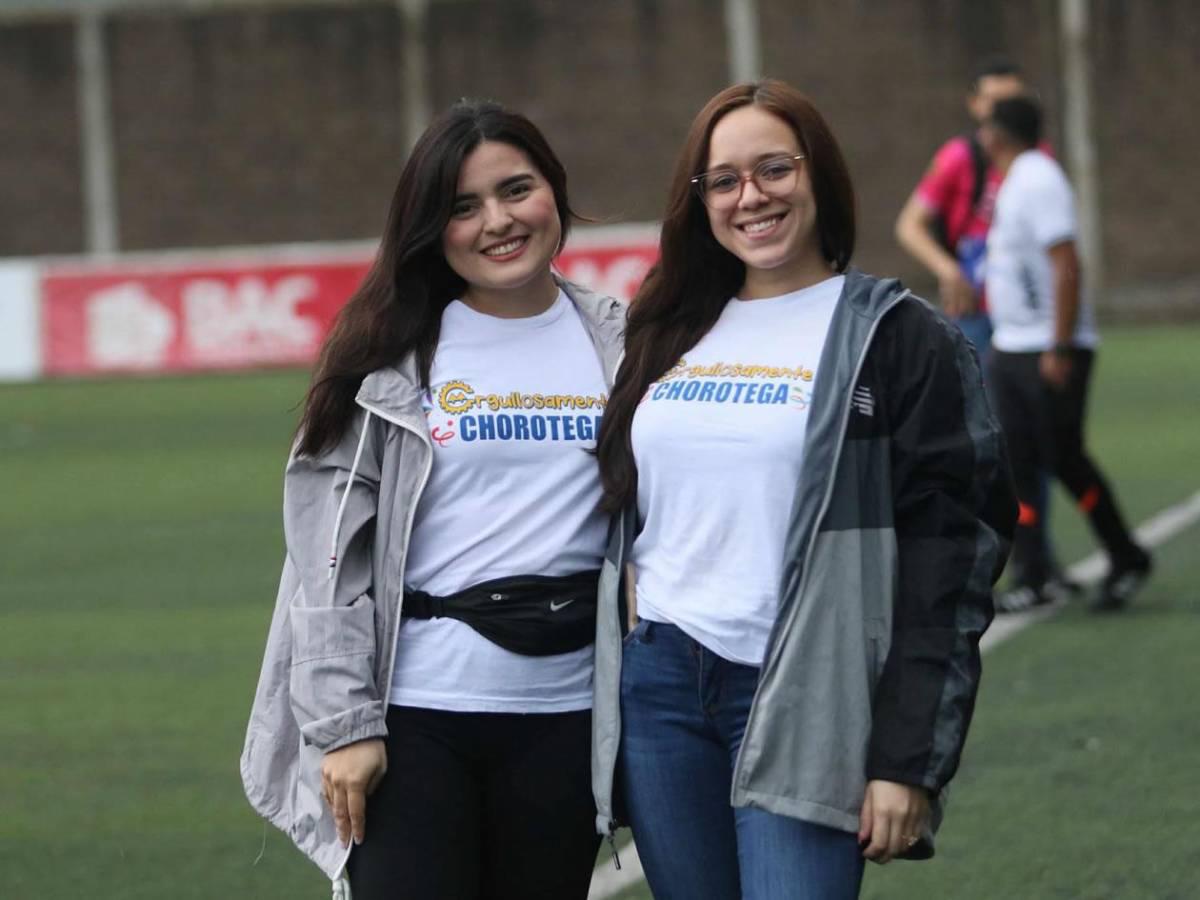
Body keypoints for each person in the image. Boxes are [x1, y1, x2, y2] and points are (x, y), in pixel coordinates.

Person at [591, 80, 1016, 900]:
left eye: (774, 169)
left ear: (818, 175)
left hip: (807, 691)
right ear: (700, 200)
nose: (751, 196)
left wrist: (908, 761)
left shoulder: (898, 336)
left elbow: (952, 564)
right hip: (664, 688)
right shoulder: (664, 327)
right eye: (723, 180)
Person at [241, 99, 625, 899]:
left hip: (567, 721)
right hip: (417, 721)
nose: (498, 221)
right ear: (430, 227)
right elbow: (328, 557)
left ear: (554, 189)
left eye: (516, 190)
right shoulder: (389, 359)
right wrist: (346, 725)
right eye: (463, 207)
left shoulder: (623, 342)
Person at [980, 96, 1152, 613]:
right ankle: (1034, 574)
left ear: (998, 132)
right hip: (1012, 345)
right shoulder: (1014, 181)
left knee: (1065, 459)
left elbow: (1065, 261)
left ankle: (1125, 555)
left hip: (1047, 349)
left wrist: (1060, 343)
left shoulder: (1039, 179)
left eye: (984, 125)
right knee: (1019, 464)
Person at [894, 55, 1027, 352]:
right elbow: (909, 225)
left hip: (1026, 307)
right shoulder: (958, 157)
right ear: (976, 104)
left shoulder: (1038, 160)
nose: (1005, 112)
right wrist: (948, 270)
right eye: (995, 101)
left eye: (1013, 101)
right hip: (974, 307)